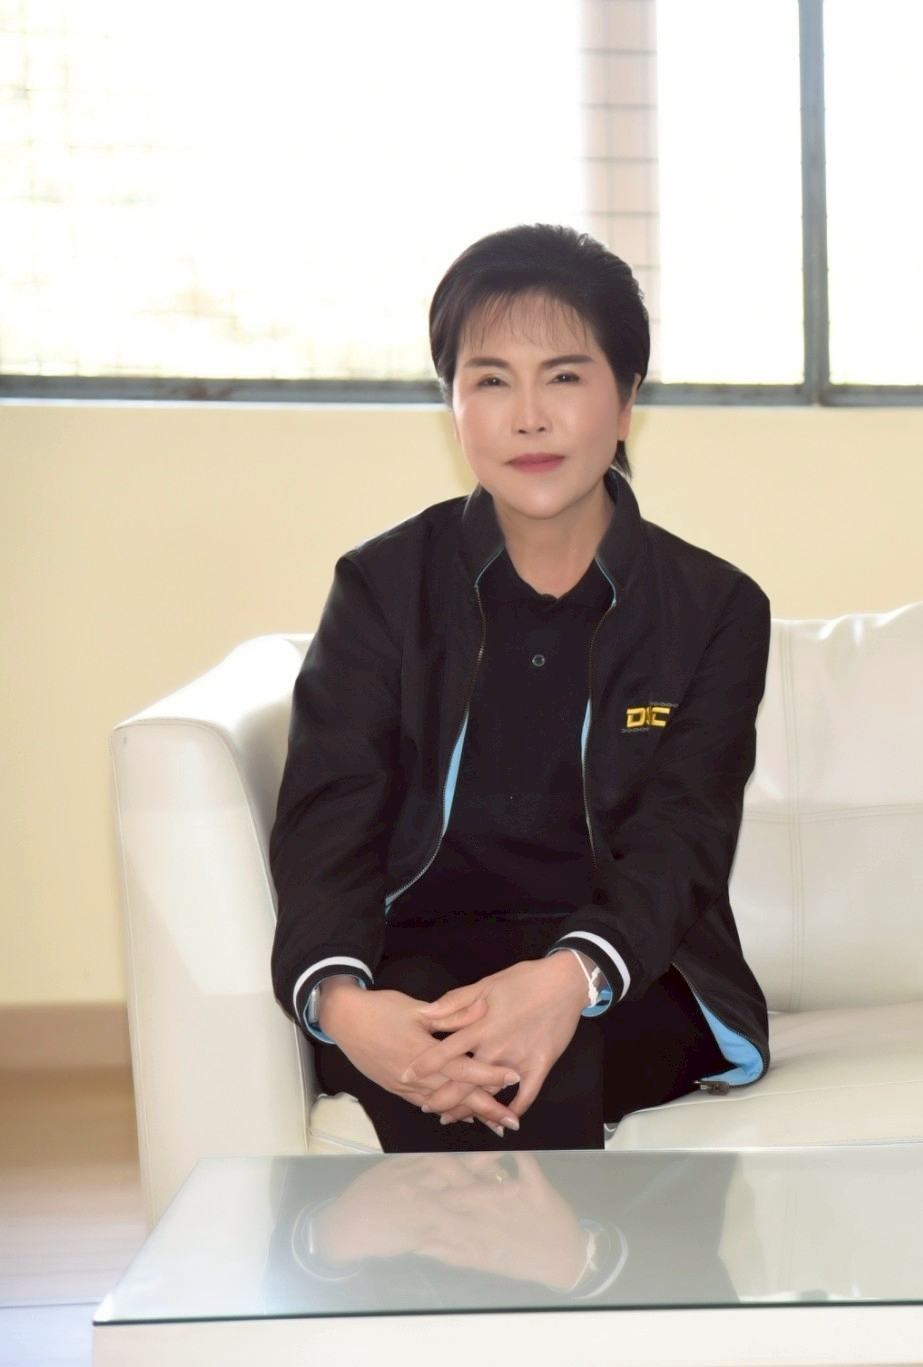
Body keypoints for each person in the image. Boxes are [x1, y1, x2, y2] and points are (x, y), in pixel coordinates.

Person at [269, 225, 772, 1152]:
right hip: (414, 959)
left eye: (565, 376)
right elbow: (328, 816)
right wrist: (346, 1005)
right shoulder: (382, 586)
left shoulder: (714, 607)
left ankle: (478, 1243)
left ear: (627, 399)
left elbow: (685, 835)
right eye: (492, 380)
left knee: (538, 1069)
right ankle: (555, 1245)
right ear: (453, 404)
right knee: (459, 1056)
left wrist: (565, 979)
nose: (529, 417)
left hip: (623, 968)